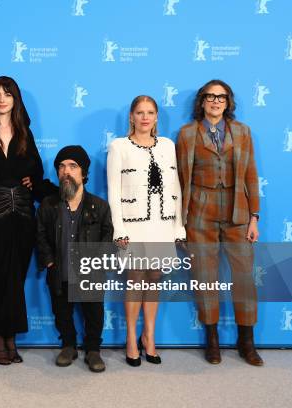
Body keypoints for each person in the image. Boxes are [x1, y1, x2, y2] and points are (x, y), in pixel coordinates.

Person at [177, 79, 263, 366]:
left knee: (243, 278)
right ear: (202, 102)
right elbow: (180, 180)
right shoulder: (188, 134)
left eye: (221, 97)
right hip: (200, 213)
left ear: (228, 103)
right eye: (210, 97)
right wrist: (181, 221)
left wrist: (254, 217)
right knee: (204, 277)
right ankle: (212, 340)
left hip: (237, 211)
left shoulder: (242, 132)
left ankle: (246, 341)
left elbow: (251, 174)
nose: (216, 101)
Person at [106, 95, 186, 366]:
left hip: (162, 224)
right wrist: (119, 228)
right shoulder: (118, 146)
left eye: (150, 112)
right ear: (131, 116)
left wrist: (178, 226)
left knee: (154, 278)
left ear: (156, 117)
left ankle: (148, 336)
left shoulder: (167, 145)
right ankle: (131, 338)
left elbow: (175, 187)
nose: (144, 117)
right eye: (139, 112)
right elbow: (113, 192)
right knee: (135, 278)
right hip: (132, 224)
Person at [0, 76, 45, 365]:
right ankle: (0, 335)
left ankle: (9, 336)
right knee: (3, 272)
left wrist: (33, 180)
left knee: (16, 274)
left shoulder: (24, 132)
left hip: (23, 211)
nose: (2, 99)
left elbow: (38, 169)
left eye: (8, 94)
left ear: (16, 99)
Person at [36, 146, 113, 373]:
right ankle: (68, 346)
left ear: (83, 172)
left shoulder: (99, 206)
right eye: (61, 167)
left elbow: (108, 236)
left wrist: (97, 264)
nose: (65, 171)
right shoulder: (48, 205)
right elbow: (40, 235)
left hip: (90, 273)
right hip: (59, 270)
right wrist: (50, 261)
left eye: (72, 166)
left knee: (94, 312)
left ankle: (93, 350)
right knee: (62, 311)